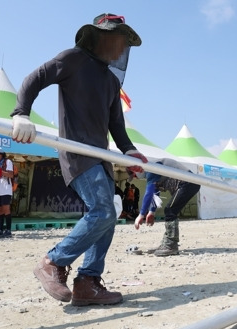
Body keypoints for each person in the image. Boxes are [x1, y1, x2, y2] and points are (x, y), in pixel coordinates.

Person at [10, 13, 147, 306]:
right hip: (77, 152)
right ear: (103, 37)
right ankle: (53, 262)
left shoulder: (111, 82)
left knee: (107, 215)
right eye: (120, 40)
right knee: (102, 210)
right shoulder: (73, 59)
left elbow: (117, 127)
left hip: (100, 156)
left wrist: (130, 151)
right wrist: (21, 113)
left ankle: (88, 282)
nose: (123, 49)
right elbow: (34, 78)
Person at [133, 158, 200, 256]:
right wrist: (152, 212)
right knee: (171, 210)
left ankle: (171, 245)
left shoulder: (151, 168)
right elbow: (155, 192)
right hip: (187, 184)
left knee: (170, 210)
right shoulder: (153, 170)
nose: (135, 178)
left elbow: (149, 193)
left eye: (134, 175)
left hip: (188, 183)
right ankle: (167, 242)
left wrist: (141, 214)